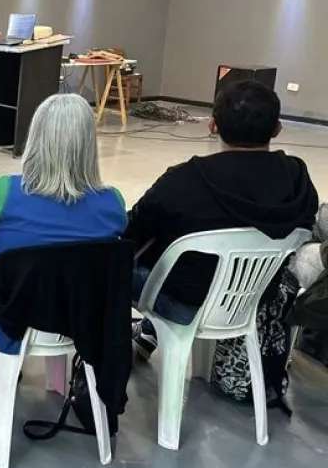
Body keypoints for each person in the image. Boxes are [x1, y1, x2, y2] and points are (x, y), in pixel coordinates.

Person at [127, 80, 318, 359]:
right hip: (252, 300)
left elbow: (131, 233)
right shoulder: (297, 178)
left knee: (107, 264)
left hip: (181, 303)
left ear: (212, 125)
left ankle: (108, 355)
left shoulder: (183, 180)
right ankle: (149, 332)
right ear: (277, 128)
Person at [0, 93, 127, 354]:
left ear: (36, 139)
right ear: (89, 145)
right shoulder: (113, 203)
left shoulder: (4, 192)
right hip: (79, 318)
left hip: (13, 316)